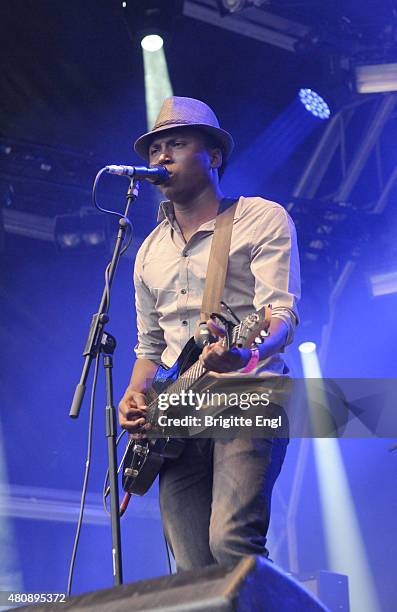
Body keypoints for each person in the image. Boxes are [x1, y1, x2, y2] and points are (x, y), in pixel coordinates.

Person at [118, 96, 300, 571]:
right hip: (177, 415)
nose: (162, 157)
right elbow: (150, 349)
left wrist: (245, 354)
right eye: (155, 148)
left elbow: (278, 314)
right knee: (192, 569)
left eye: (177, 143)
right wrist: (136, 394)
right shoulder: (147, 252)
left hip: (248, 395)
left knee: (231, 543)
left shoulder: (260, 217)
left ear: (214, 156)